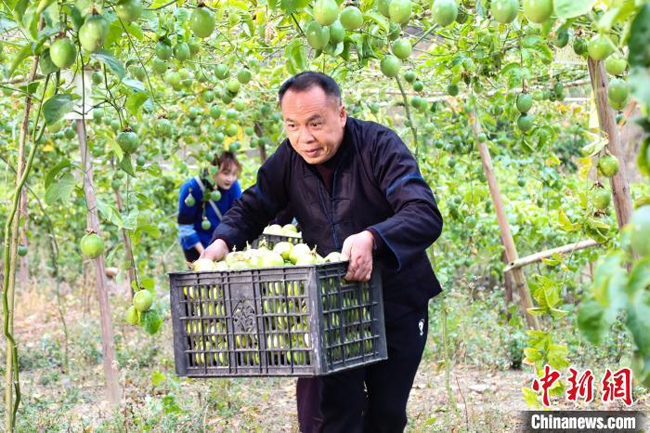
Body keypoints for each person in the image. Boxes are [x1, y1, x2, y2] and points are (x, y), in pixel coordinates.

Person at [202, 71, 443, 432]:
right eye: (292, 125)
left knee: (386, 414)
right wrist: (221, 243)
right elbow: (253, 206)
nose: (305, 137)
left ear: (341, 114)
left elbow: (423, 212)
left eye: (315, 123)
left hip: (396, 302)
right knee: (332, 414)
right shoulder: (289, 158)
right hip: (332, 309)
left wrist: (373, 237)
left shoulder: (378, 146)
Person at [177, 151, 242, 264]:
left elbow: (238, 217)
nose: (231, 178)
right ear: (212, 170)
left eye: (234, 174)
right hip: (197, 248)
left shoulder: (234, 187)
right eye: (226, 173)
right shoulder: (192, 188)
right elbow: (185, 227)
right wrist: (205, 256)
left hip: (222, 246)